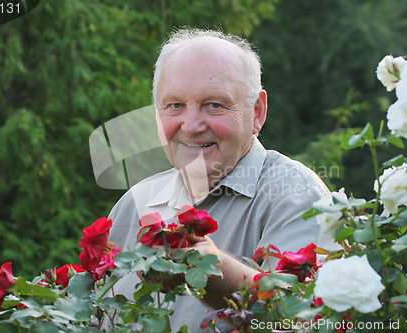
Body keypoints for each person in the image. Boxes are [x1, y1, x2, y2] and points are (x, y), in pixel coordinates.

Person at [107, 28, 331, 332]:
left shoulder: (299, 197)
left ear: (257, 112)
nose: (191, 124)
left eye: (214, 104)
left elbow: (302, 320)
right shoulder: (132, 206)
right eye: (175, 105)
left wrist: (215, 272)